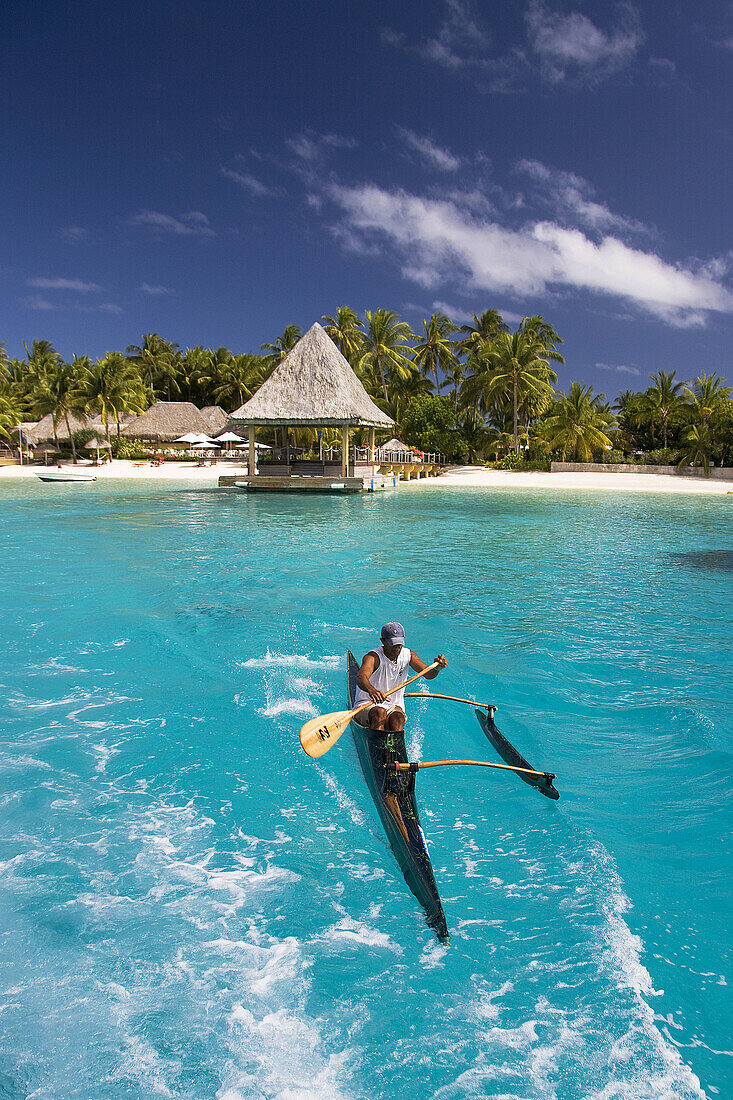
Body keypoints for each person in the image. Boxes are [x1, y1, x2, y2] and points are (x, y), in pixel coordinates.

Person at [354, 622, 447, 732]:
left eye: (399, 644)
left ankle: (394, 747)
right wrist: (371, 690)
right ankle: (376, 746)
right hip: (367, 704)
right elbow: (361, 677)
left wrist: (437, 668)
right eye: (393, 644)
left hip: (393, 706)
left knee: (398, 719)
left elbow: (428, 674)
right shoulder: (373, 657)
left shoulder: (409, 655)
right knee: (380, 713)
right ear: (383, 641)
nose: (397, 648)